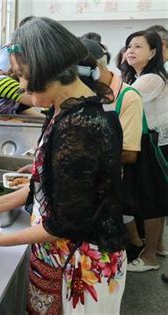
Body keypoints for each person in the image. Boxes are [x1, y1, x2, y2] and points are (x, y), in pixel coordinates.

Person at [0, 17, 127, 314]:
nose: (21, 84)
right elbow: (45, 182)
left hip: (81, 262)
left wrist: (1, 239)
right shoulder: (63, 110)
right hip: (57, 251)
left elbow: (65, 223)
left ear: (46, 69)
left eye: (22, 75)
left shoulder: (81, 127)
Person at [79, 39, 144, 262]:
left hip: (111, 184)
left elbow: (130, 153)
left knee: (105, 249)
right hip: (86, 185)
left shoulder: (128, 97)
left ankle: (135, 248)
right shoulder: (84, 93)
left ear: (96, 69)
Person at [121, 30, 168, 272]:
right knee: (156, 198)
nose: (130, 50)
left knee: (151, 200)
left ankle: (149, 257)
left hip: (153, 144)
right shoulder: (139, 76)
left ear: (153, 52)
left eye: (138, 46)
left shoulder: (152, 78)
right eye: (129, 46)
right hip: (150, 141)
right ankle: (157, 246)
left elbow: (122, 100)